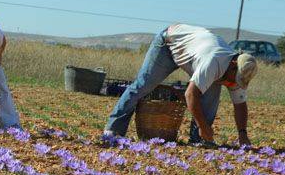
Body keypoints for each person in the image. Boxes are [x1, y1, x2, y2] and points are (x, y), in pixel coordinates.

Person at [104, 24, 258, 145]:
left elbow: (240, 105)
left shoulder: (237, 72)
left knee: (212, 95)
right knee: (143, 85)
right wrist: (204, 127)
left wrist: (242, 134)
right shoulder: (213, 62)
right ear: (233, 63)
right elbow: (191, 95)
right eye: (235, 78)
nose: (234, 83)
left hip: (194, 51)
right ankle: (113, 131)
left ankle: (199, 140)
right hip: (169, 44)